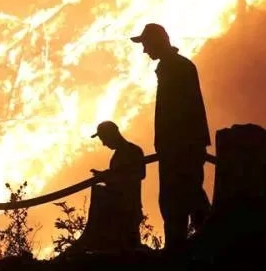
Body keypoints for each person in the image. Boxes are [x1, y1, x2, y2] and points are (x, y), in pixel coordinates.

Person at [130, 23, 212, 250]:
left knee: (180, 198)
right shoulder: (175, 67)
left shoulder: (176, 68)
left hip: (180, 149)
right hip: (177, 148)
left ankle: (187, 248)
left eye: (146, 44)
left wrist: (181, 146)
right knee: (185, 196)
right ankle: (199, 244)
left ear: (157, 41)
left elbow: (183, 111)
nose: (145, 50)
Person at [90, 121, 147, 249]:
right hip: (118, 210)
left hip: (128, 208)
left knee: (129, 247)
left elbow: (139, 174)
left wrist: (108, 177)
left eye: (104, 138)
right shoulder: (117, 156)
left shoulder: (134, 151)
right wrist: (105, 175)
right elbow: (118, 176)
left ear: (113, 134)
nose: (104, 143)